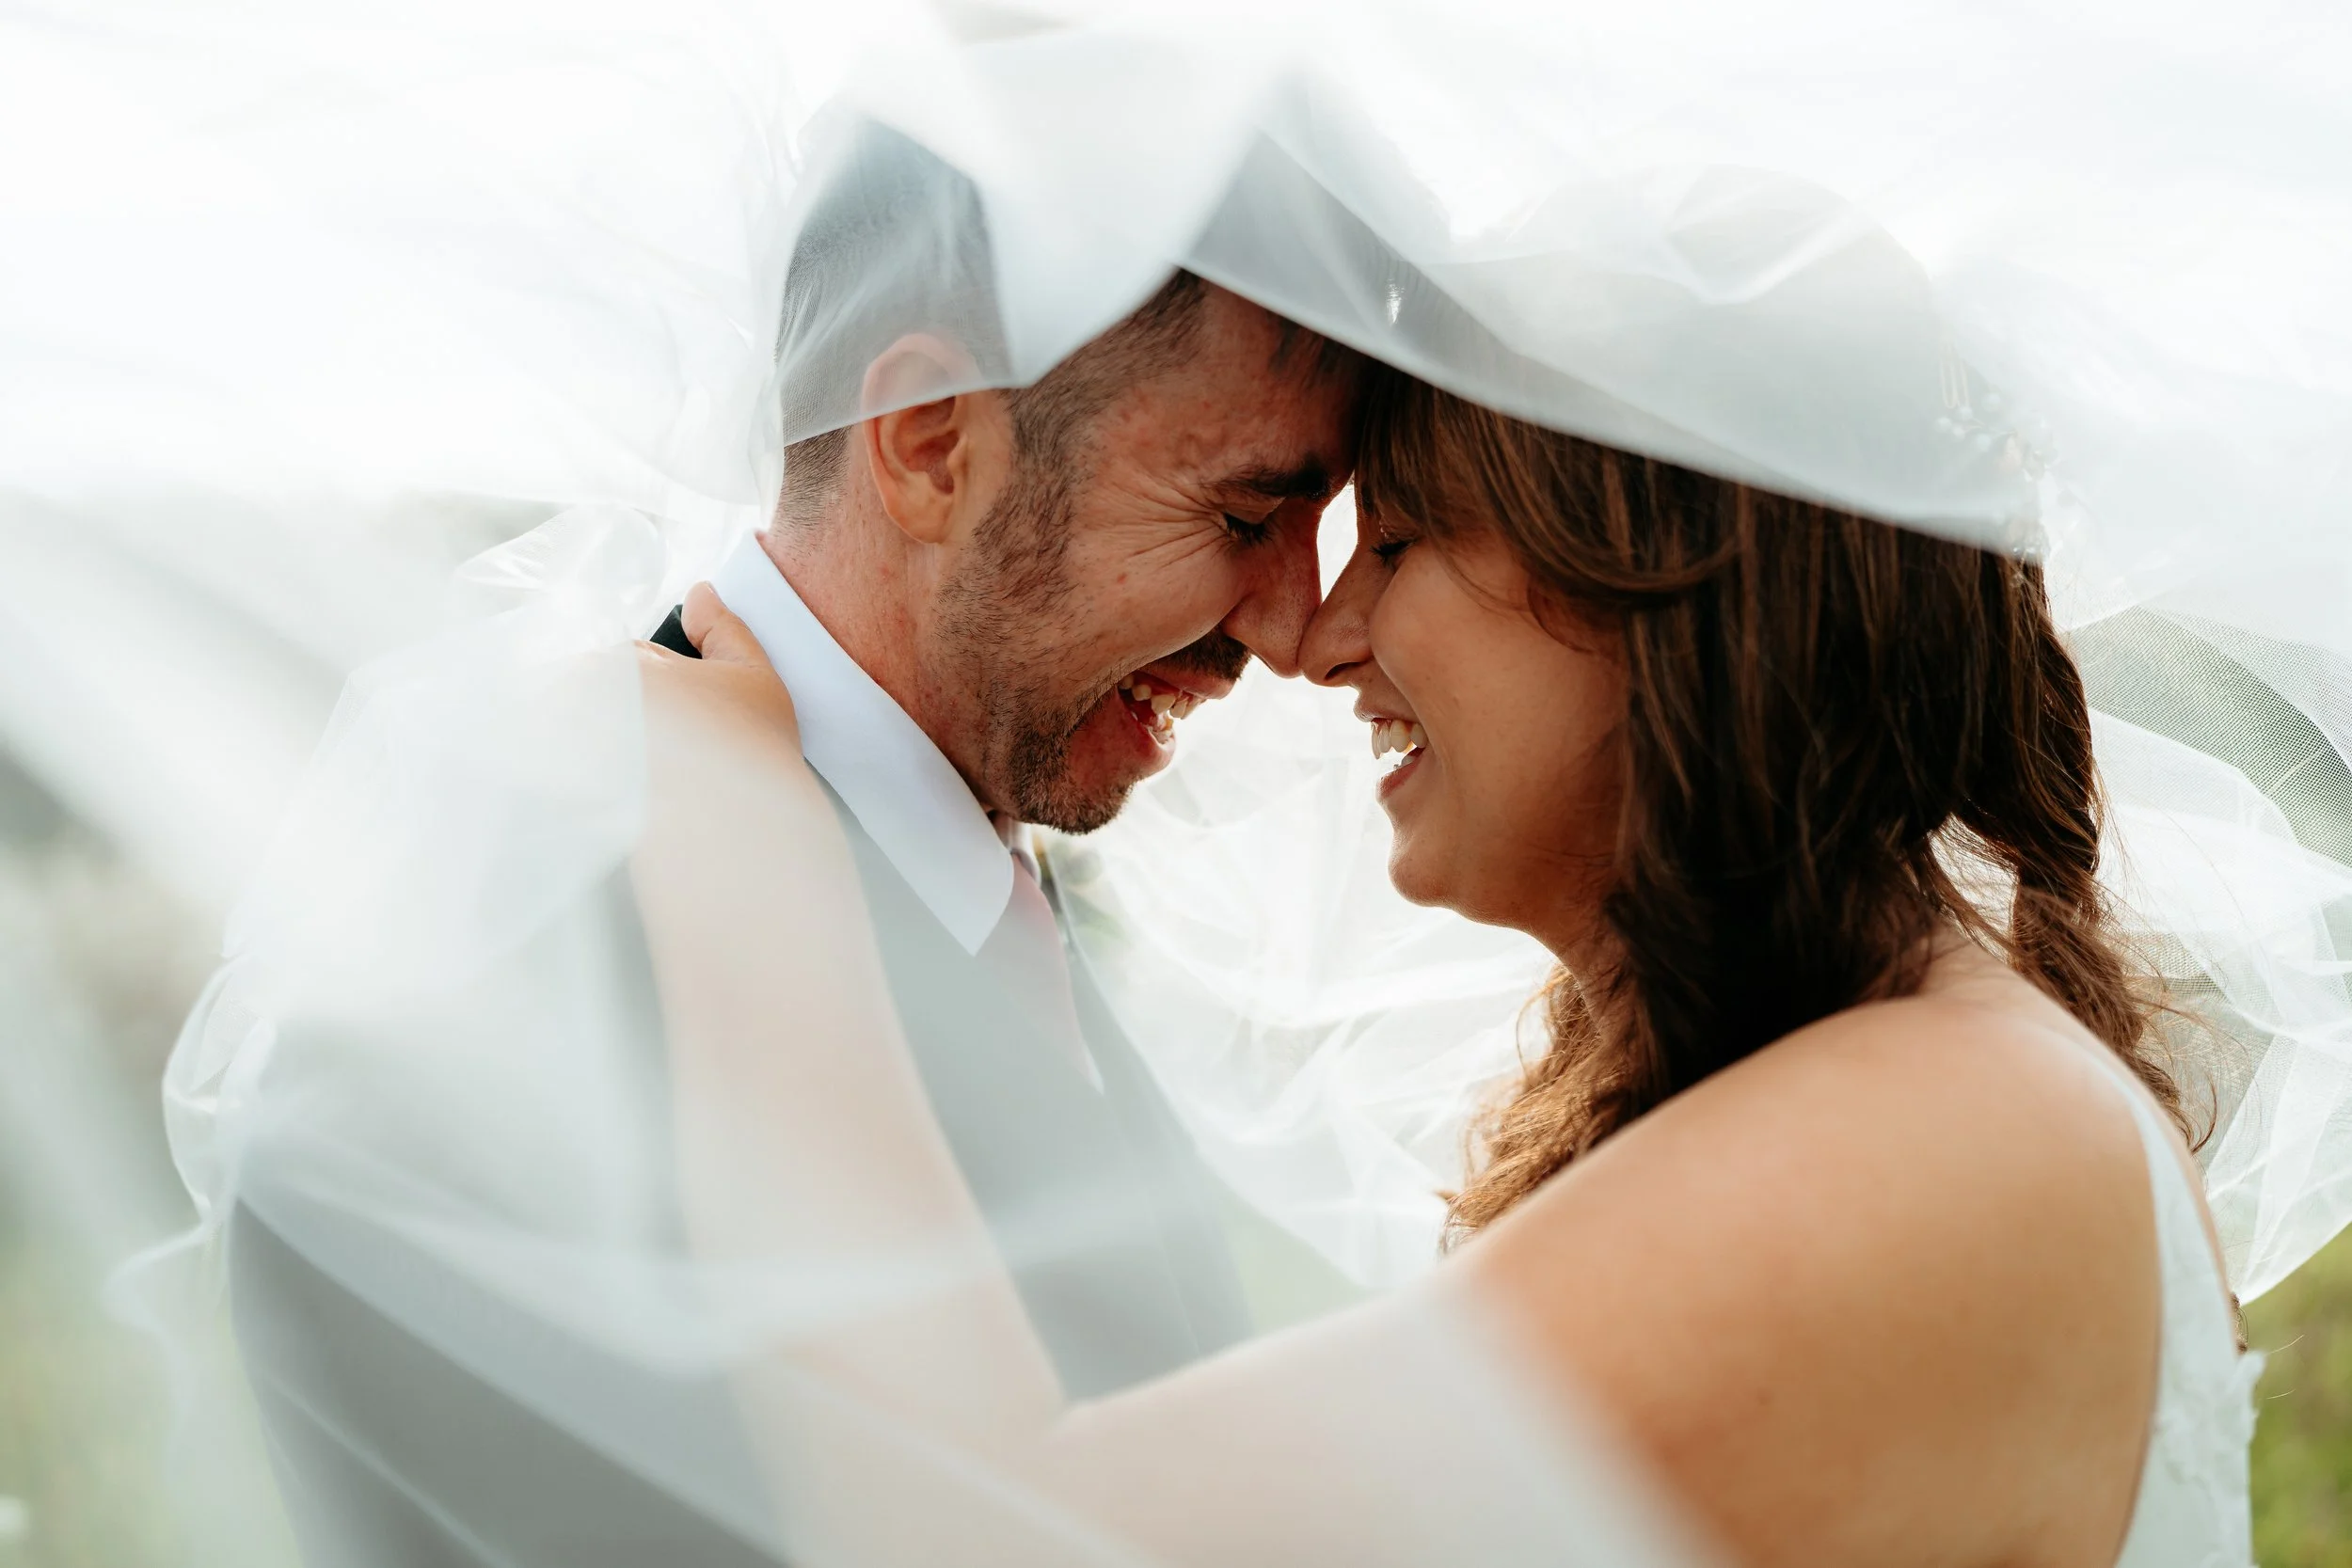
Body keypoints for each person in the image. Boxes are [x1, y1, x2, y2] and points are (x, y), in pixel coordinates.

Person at [639, 357, 2259, 1568]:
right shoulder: (1909, 1090)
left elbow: (988, 1541)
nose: (1324, 636)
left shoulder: (1931, 1145)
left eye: (1399, 542)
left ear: (1653, 584)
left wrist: (736, 838)